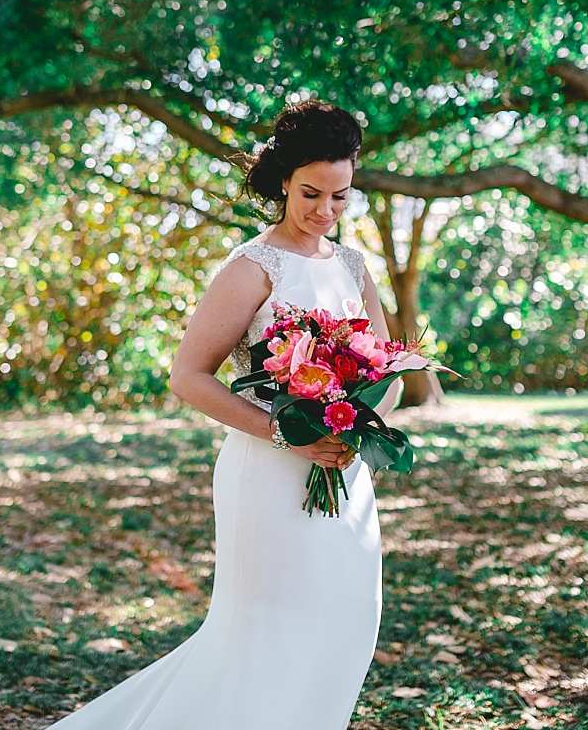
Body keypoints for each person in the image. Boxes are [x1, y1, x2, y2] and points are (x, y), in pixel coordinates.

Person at [43, 99, 403, 729]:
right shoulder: (252, 266)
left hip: (346, 474)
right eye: (311, 193)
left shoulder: (351, 264)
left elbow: (390, 364)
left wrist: (362, 423)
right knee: (268, 634)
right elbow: (188, 376)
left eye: (340, 197)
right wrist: (287, 435)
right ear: (283, 181)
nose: (325, 211)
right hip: (267, 471)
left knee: (349, 618)